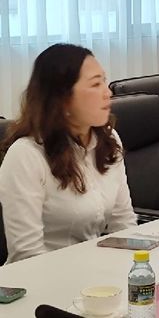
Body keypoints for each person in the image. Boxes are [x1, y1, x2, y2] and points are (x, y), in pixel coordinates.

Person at [0, 44, 137, 263]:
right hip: (43, 276)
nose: (107, 93)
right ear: (62, 98)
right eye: (95, 84)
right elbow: (27, 254)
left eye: (104, 81)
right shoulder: (26, 156)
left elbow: (123, 222)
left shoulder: (109, 140)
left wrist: (135, 266)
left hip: (97, 270)